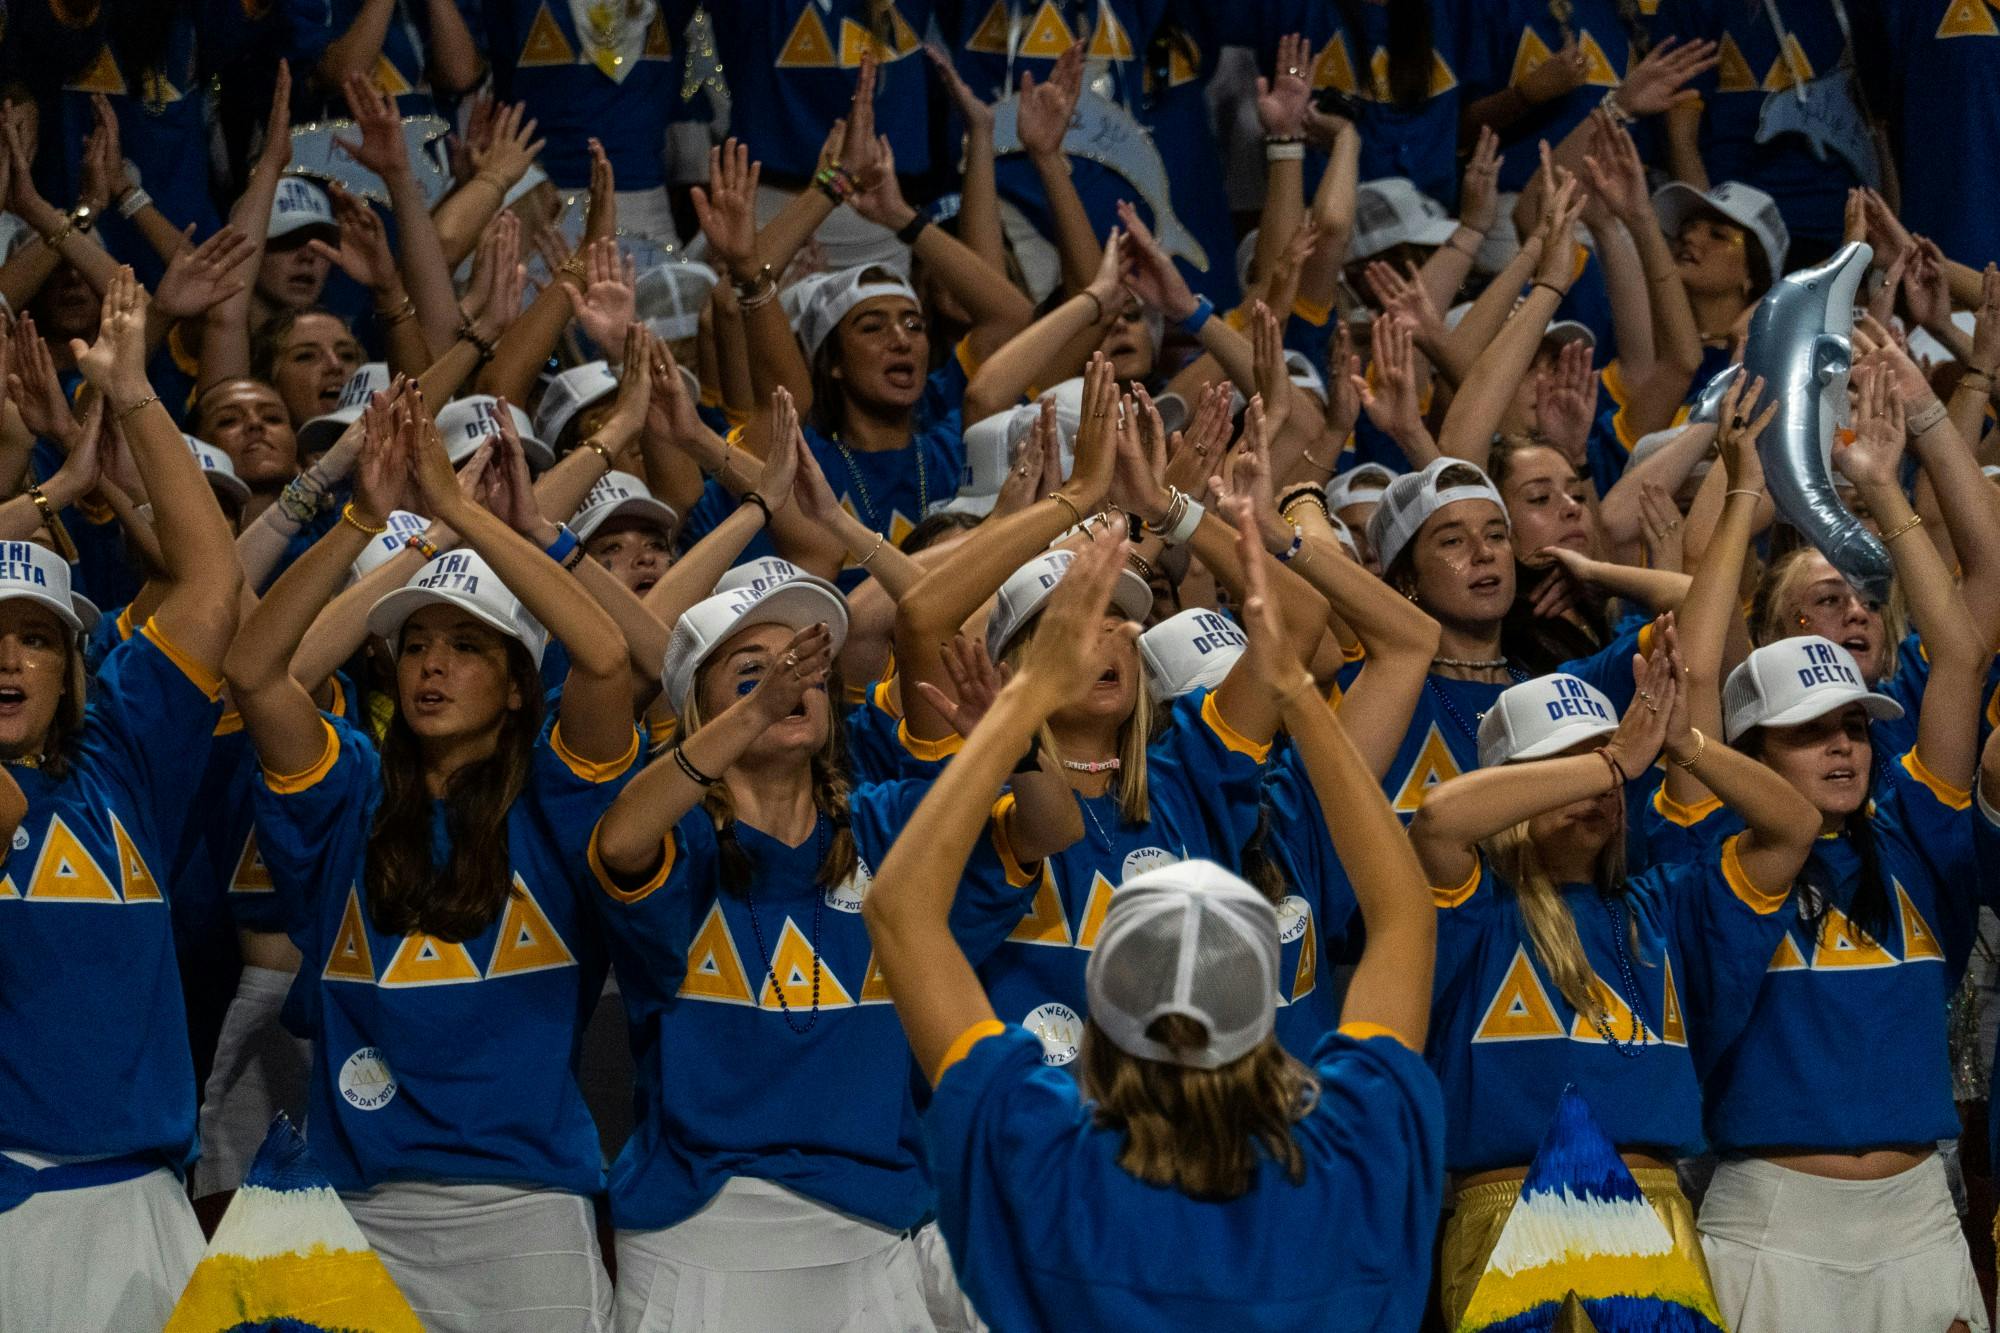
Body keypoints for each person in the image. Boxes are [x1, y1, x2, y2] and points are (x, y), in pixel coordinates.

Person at [861, 513, 1445, 1330]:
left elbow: (899, 912)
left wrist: (1019, 704)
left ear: (1102, 1020)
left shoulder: (1043, 1167)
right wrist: (1299, 691)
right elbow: (1407, 918)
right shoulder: (1356, 1150)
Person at [586, 405, 1031, 1332]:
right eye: (746, 670)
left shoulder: (883, 824)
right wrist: (753, 714)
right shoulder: (685, 838)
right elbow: (621, 840)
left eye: (800, 670)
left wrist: (1013, 732)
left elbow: (1046, 830)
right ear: (698, 706)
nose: (785, 684)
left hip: (874, 1226)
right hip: (697, 1228)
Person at [224, 379, 640, 1330]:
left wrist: (464, 515)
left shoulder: (558, 798)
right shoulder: (347, 790)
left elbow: (610, 659)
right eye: (414, 646)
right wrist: (382, 530)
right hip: (352, 1210)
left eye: (466, 647)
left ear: (517, 685)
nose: (433, 666)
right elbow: (257, 671)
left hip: (525, 1212)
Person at [1659, 366, 1992, 1333]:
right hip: (1769, 1218)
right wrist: (1737, 504)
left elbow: (1963, 654)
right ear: (1752, 748)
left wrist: (1888, 489)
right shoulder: (1712, 847)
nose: (1844, 743)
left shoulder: (1917, 835)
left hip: (1922, 1217)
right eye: (1811, 730)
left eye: (1854, 724)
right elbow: (1690, 673)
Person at [1409, 631, 1819, 1326]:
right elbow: (1439, 818)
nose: (1602, 782)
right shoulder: (1472, 908)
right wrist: (1612, 760)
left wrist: (1681, 743)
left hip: (1657, 1205)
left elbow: (1794, 826)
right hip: (1512, 1219)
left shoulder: (1664, 904)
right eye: (1566, 762)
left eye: (1607, 764)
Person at [0, 268, 244, 1325]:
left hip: (148, 1209)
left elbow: (212, 582)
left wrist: (134, 393)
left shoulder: (125, 754)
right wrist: (45, 498)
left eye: (34, 638)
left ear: (72, 663)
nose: (8, 660)